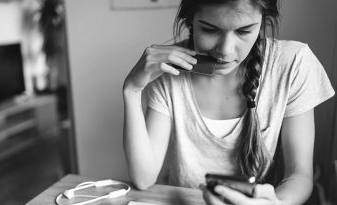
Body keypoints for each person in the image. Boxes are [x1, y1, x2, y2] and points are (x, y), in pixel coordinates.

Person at [122, 0, 335, 204]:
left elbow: (300, 176)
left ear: (262, 22)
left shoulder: (293, 63)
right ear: (190, 21)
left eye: (244, 31)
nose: (226, 50)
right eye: (210, 29)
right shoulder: (169, 70)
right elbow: (144, 178)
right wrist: (132, 89)